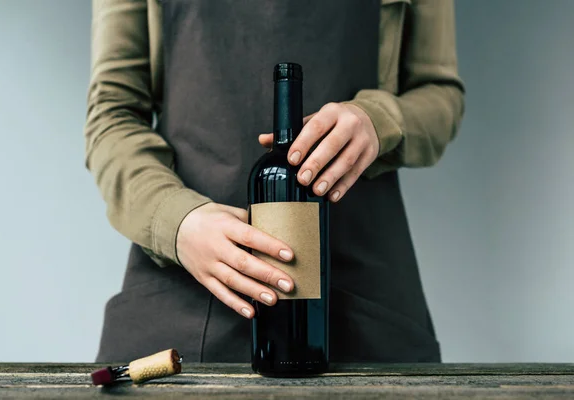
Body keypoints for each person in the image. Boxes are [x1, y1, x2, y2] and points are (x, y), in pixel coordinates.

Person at [85, 0, 464, 363]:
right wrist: (179, 223)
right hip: (185, 294)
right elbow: (112, 112)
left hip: (360, 298)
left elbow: (439, 96)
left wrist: (377, 120)